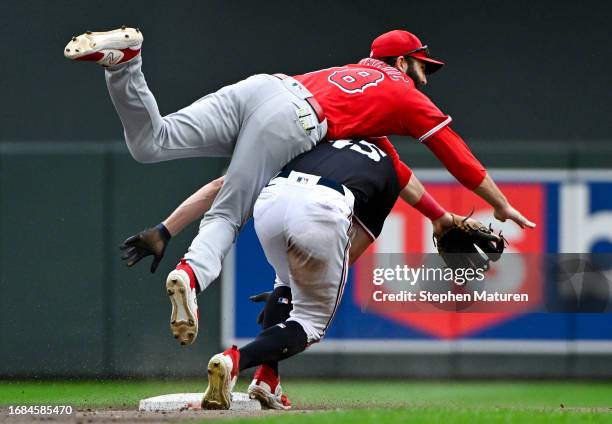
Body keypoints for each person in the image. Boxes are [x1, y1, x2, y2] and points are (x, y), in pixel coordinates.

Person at [66, 27, 534, 347]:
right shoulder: (401, 94)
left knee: (152, 142)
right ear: (401, 61)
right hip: (296, 117)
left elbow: (397, 169)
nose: (426, 76)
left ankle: (125, 64)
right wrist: (502, 204)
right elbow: (453, 151)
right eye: (423, 66)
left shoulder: (350, 80)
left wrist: (166, 227)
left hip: (267, 87)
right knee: (231, 211)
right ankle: (191, 276)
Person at [121, 136, 505, 409]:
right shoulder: (389, 168)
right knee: (310, 322)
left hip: (273, 199)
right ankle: (235, 361)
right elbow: (351, 248)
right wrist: (312, 288)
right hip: (323, 208)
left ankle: (266, 382)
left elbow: (226, 184)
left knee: (284, 285)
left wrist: (288, 290)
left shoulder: (316, 137)